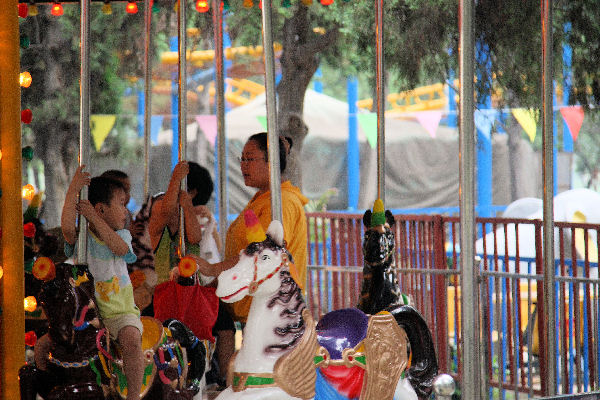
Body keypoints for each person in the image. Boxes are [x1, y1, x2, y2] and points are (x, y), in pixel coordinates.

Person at [194, 132, 309, 323]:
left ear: (271, 162)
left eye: (250, 159)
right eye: (242, 159)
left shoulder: (281, 202)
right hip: (253, 312)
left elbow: (262, 254)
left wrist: (213, 269)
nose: (243, 165)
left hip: (271, 315)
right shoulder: (262, 200)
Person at [149, 160, 235, 387]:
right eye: (163, 207)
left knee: (225, 322)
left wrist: (187, 206)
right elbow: (166, 211)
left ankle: (224, 377)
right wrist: (176, 180)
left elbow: (196, 237)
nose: (169, 211)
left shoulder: (191, 234)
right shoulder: (158, 233)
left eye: (175, 205)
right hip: (168, 295)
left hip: (194, 296)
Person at [61, 166, 143, 400]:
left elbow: (120, 248)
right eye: (121, 204)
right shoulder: (83, 240)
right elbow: (67, 227)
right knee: (47, 344)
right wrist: (73, 191)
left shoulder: (122, 236)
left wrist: (93, 218)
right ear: (101, 208)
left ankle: (134, 396)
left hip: (119, 312)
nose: (126, 212)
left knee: (131, 339)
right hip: (86, 315)